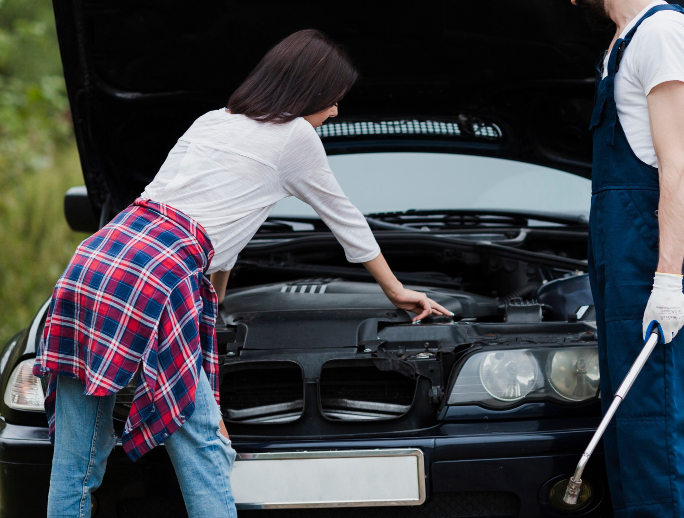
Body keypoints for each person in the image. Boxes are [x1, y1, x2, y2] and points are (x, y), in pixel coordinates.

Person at [34, 29, 452, 518]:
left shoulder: (213, 120)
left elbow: (210, 234)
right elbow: (345, 219)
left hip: (94, 262)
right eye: (334, 99)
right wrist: (396, 289)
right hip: (157, 274)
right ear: (309, 90)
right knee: (203, 444)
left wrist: (214, 310)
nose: (336, 111)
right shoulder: (295, 136)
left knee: (76, 462)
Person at [547, 0, 684, 516]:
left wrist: (668, 282)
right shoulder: (625, 41)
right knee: (631, 448)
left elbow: (676, 169)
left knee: (656, 447)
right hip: (627, 269)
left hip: (651, 271)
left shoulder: (662, 36)